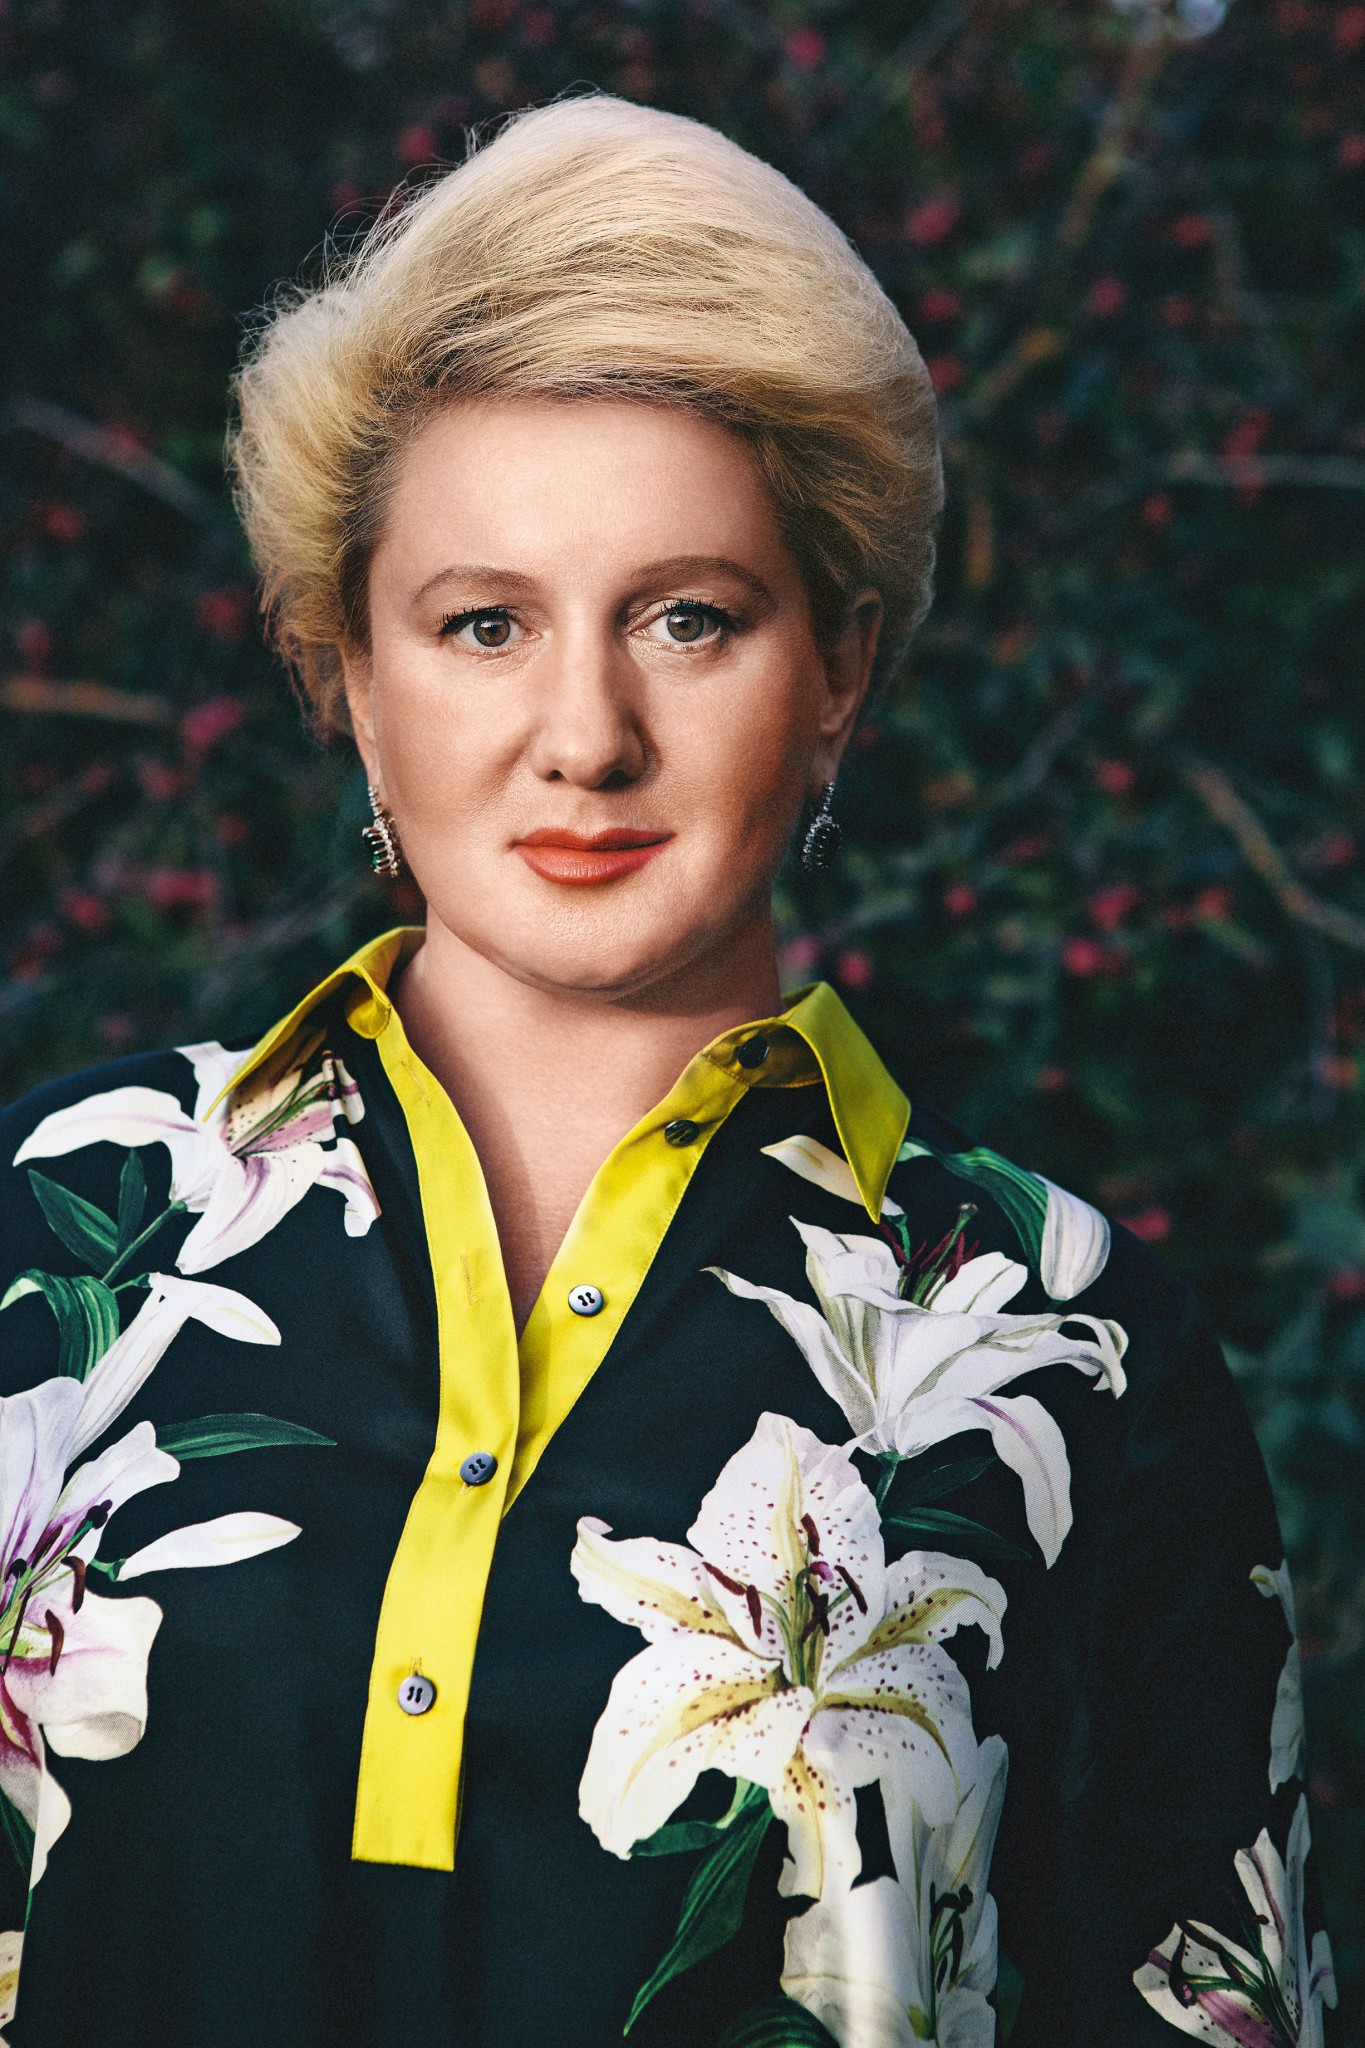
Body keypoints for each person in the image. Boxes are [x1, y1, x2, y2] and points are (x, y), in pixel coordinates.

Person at [0, 94, 1336, 2048]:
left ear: (837, 670)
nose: (584, 733)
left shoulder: (1064, 1341)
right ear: (348, 674)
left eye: (688, 619)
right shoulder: (61, 1224)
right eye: (481, 624)